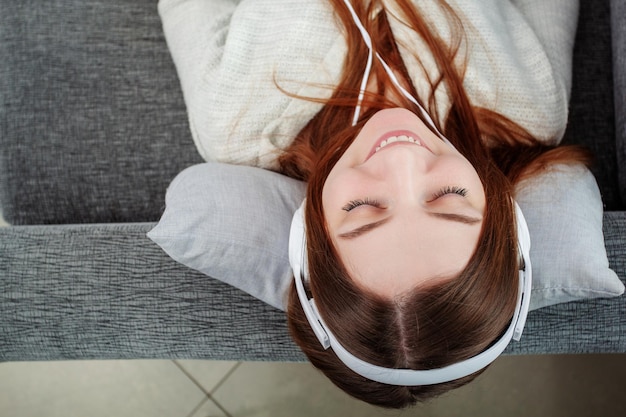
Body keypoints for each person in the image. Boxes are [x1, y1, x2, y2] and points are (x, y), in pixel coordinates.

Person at [159, 0, 589, 408]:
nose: (402, 159)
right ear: (502, 214)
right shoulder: (530, 107)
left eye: (363, 207)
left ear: (309, 231)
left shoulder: (234, 123)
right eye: (449, 197)